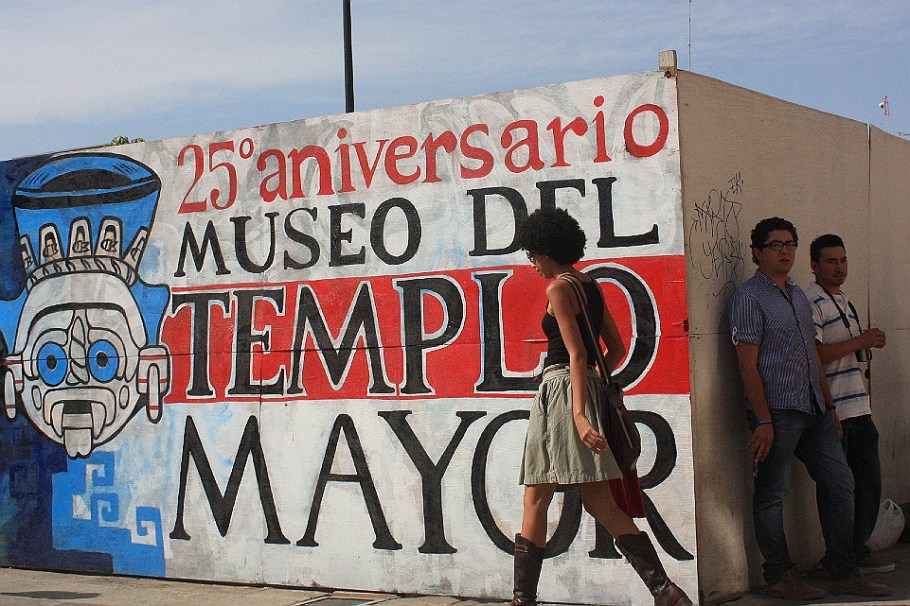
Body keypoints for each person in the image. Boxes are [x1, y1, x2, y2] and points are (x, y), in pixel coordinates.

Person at [512, 207, 692, 606]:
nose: (532, 263)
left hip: (561, 393)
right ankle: (665, 591)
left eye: (532, 254)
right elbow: (617, 349)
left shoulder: (558, 289)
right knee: (599, 501)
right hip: (584, 389)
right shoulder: (589, 284)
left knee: (536, 498)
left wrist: (577, 412)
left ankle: (523, 600)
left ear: (545, 251)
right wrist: (591, 389)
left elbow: (576, 354)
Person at [729, 217, 888, 600]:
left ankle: (843, 570)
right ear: (757, 252)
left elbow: (812, 356)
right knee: (772, 492)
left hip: (815, 407)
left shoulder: (799, 296)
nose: (785, 251)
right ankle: (779, 575)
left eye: (790, 244)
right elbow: (747, 363)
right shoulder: (749, 297)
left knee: (841, 482)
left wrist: (830, 407)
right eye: (775, 245)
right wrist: (762, 419)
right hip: (777, 410)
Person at [807, 234, 893, 573]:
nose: (839, 268)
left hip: (858, 406)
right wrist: (859, 341)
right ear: (814, 266)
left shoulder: (845, 301)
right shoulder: (812, 301)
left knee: (868, 483)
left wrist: (866, 343)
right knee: (838, 488)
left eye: (843, 260)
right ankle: (839, 558)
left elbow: (848, 351)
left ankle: (857, 552)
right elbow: (814, 354)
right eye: (831, 261)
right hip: (834, 410)